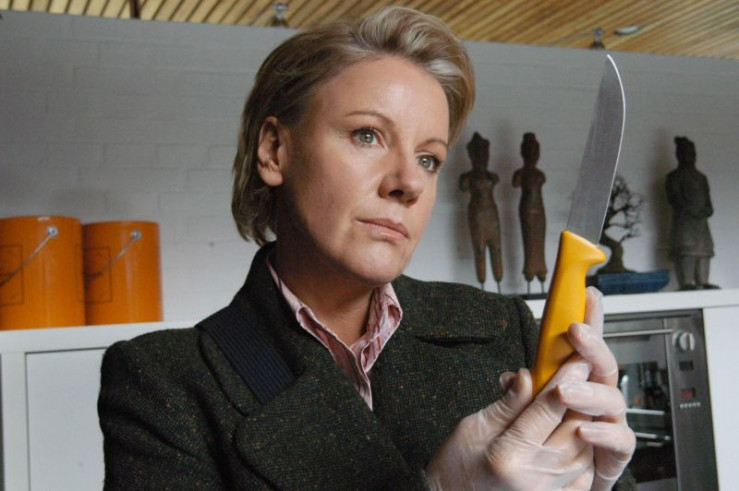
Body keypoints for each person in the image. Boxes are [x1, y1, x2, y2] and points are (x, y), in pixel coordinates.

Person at [98, 7, 635, 489]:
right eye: (367, 135)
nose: (409, 183)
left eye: (428, 158)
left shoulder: (503, 330)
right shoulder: (162, 383)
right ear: (275, 150)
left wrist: (598, 486)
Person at [666, 136, 718, 290]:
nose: (690, 156)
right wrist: (689, 210)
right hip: (684, 221)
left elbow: (708, 201)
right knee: (686, 251)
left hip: (701, 221)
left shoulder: (701, 178)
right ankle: (687, 282)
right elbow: (674, 198)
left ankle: (703, 281)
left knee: (704, 251)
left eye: (692, 152)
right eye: (686, 152)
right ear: (679, 155)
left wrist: (706, 210)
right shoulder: (674, 177)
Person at [459, 132, 504, 292]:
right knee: (479, 249)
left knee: (496, 247)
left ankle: (499, 280)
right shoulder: (467, 178)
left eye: (484, 154)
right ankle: (483, 283)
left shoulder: (492, 177)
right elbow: (462, 186)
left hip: (492, 214)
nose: (481, 157)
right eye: (477, 154)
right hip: (477, 215)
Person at [512, 132, 548, 294]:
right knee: (529, 241)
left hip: (540, 211)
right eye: (529, 151)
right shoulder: (520, 174)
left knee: (539, 241)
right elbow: (515, 183)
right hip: (526, 210)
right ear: (523, 152)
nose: (532, 154)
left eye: (535, 151)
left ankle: (541, 270)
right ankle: (529, 271)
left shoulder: (539, 174)